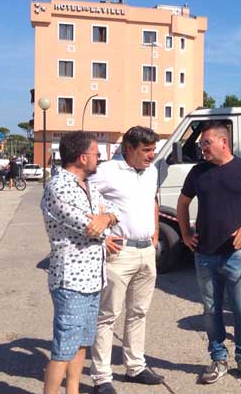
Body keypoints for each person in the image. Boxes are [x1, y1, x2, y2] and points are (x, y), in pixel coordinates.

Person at [176, 121, 241, 385]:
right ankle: (218, 358)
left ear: (223, 142)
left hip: (236, 255)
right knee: (211, 309)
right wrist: (184, 234)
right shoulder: (198, 172)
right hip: (204, 254)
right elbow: (182, 203)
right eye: (201, 144)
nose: (202, 148)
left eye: (206, 142)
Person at [40, 131, 119, 394]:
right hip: (71, 279)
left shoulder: (87, 186)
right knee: (64, 347)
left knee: (82, 342)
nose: (100, 158)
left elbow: (113, 211)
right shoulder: (58, 187)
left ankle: (72, 390)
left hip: (93, 278)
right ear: (82, 157)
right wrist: (101, 222)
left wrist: (105, 218)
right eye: (97, 154)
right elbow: (88, 227)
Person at [89, 127, 163, 394]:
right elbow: (84, 199)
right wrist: (103, 237)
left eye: (153, 149)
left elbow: (152, 202)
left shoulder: (152, 171)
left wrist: (154, 234)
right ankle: (101, 377)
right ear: (129, 149)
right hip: (119, 253)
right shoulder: (107, 171)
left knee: (139, 312)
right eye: (146, 150)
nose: (151, 155)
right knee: (107, 315)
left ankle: (135, 366)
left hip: (146, 251)